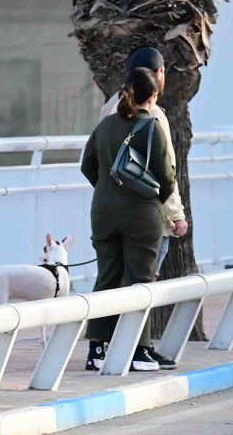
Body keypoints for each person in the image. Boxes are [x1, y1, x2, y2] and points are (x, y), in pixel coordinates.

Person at [80, 68, 176, 372]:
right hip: (142, 213)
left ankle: (97, 349)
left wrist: (109, 190)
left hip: (104, 211)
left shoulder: (105, 126)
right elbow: (168, 178)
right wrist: (151, 201)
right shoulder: (152, 127)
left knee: (106, 278)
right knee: (141, 280)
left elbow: (87, 166)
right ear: (153, 95)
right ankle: (139, 349)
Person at [99, 47, 188, 278]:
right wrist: (176, 215)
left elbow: (92, 163)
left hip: (110, 215)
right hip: (147, 217)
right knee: (142, 290)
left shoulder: (110, 107)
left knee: (115, 285)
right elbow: (164, 171)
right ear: (159, 73)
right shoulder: (154, 115)